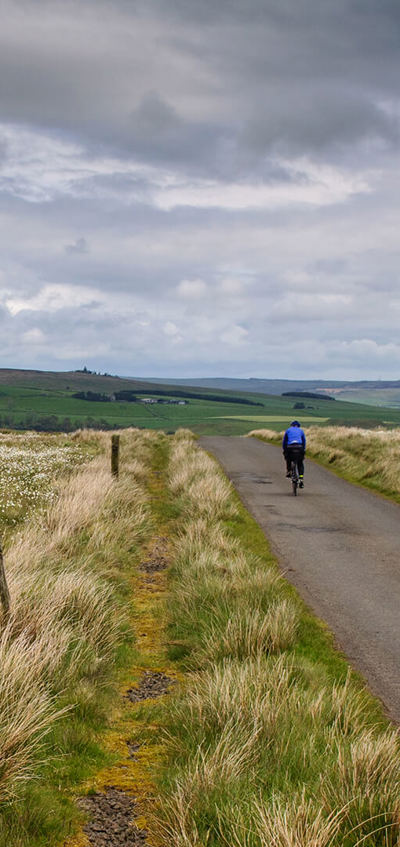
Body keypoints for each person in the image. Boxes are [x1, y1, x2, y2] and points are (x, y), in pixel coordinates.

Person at [282, 420, 306, 487]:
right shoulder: (301, 430)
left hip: (290, 447)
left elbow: (284, 441)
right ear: (298, 425)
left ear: (291, 425)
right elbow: (304, 441)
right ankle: (301, 478)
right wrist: (303, 450)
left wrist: (284, 450)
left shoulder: (288, 430)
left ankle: (289, 471)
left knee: (288, 458)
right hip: (299, 447)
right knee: (300, 463)